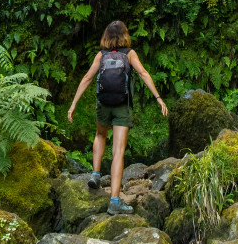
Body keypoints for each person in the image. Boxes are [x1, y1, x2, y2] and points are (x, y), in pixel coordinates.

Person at [68, 20, 168, 215]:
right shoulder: (129, 54)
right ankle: (114, 201)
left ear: (106, 36)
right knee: (118, 152)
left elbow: (87, 78)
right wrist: (158, 98)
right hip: (122, 106)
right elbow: (143, 73)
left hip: (103, 104)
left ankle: (95, 174)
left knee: (100, 135)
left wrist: (73, 104)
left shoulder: (101, 55)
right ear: (125, 35)